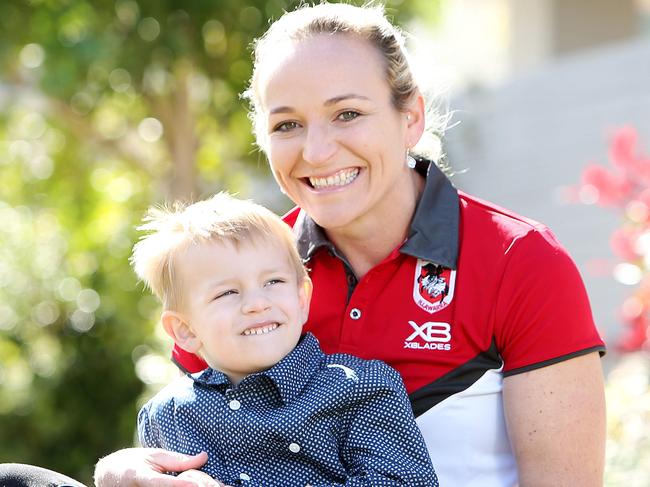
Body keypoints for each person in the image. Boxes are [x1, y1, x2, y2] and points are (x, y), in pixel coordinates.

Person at [2, 2, 606, 487]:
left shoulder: (519, 262)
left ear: (411, 117)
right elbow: (190, 437)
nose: (315, 151)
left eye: (346, 114)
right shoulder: (240, 268)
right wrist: (125, 471)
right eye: (287, 124)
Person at [129, 192, 438, 486]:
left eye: (273, 281)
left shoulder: (361, 388)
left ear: (302, 298)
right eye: (227, 292)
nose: (257, 303)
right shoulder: (169, 416)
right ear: (186, 330)